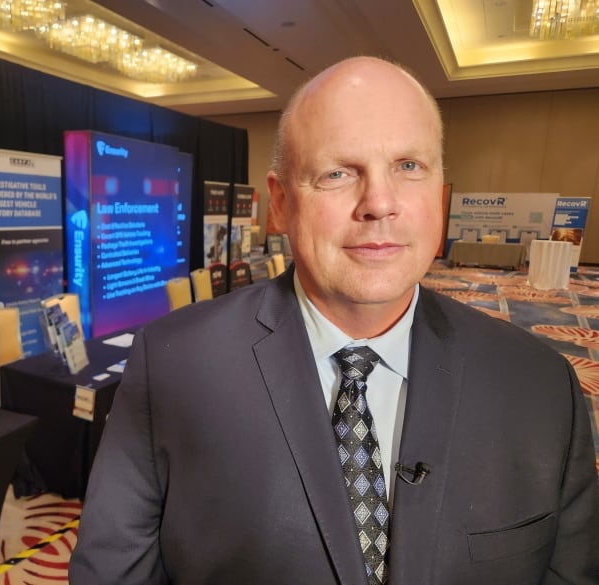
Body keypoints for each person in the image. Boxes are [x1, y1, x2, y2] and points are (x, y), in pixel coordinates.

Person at [69, 56, 599, 584]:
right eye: (338, 173)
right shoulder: (171, 368)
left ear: (440, 193)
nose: (380, 204)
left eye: (408, 166)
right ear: (279, 204)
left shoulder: (542, 388)